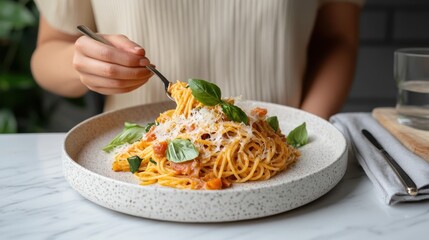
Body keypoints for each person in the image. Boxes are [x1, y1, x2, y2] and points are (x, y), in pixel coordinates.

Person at [31, 0, 363, 119]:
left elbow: (336, 38)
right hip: (137, 162)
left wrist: (306, 132)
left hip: (277, 142)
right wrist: (83, 66)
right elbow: (50, 49)